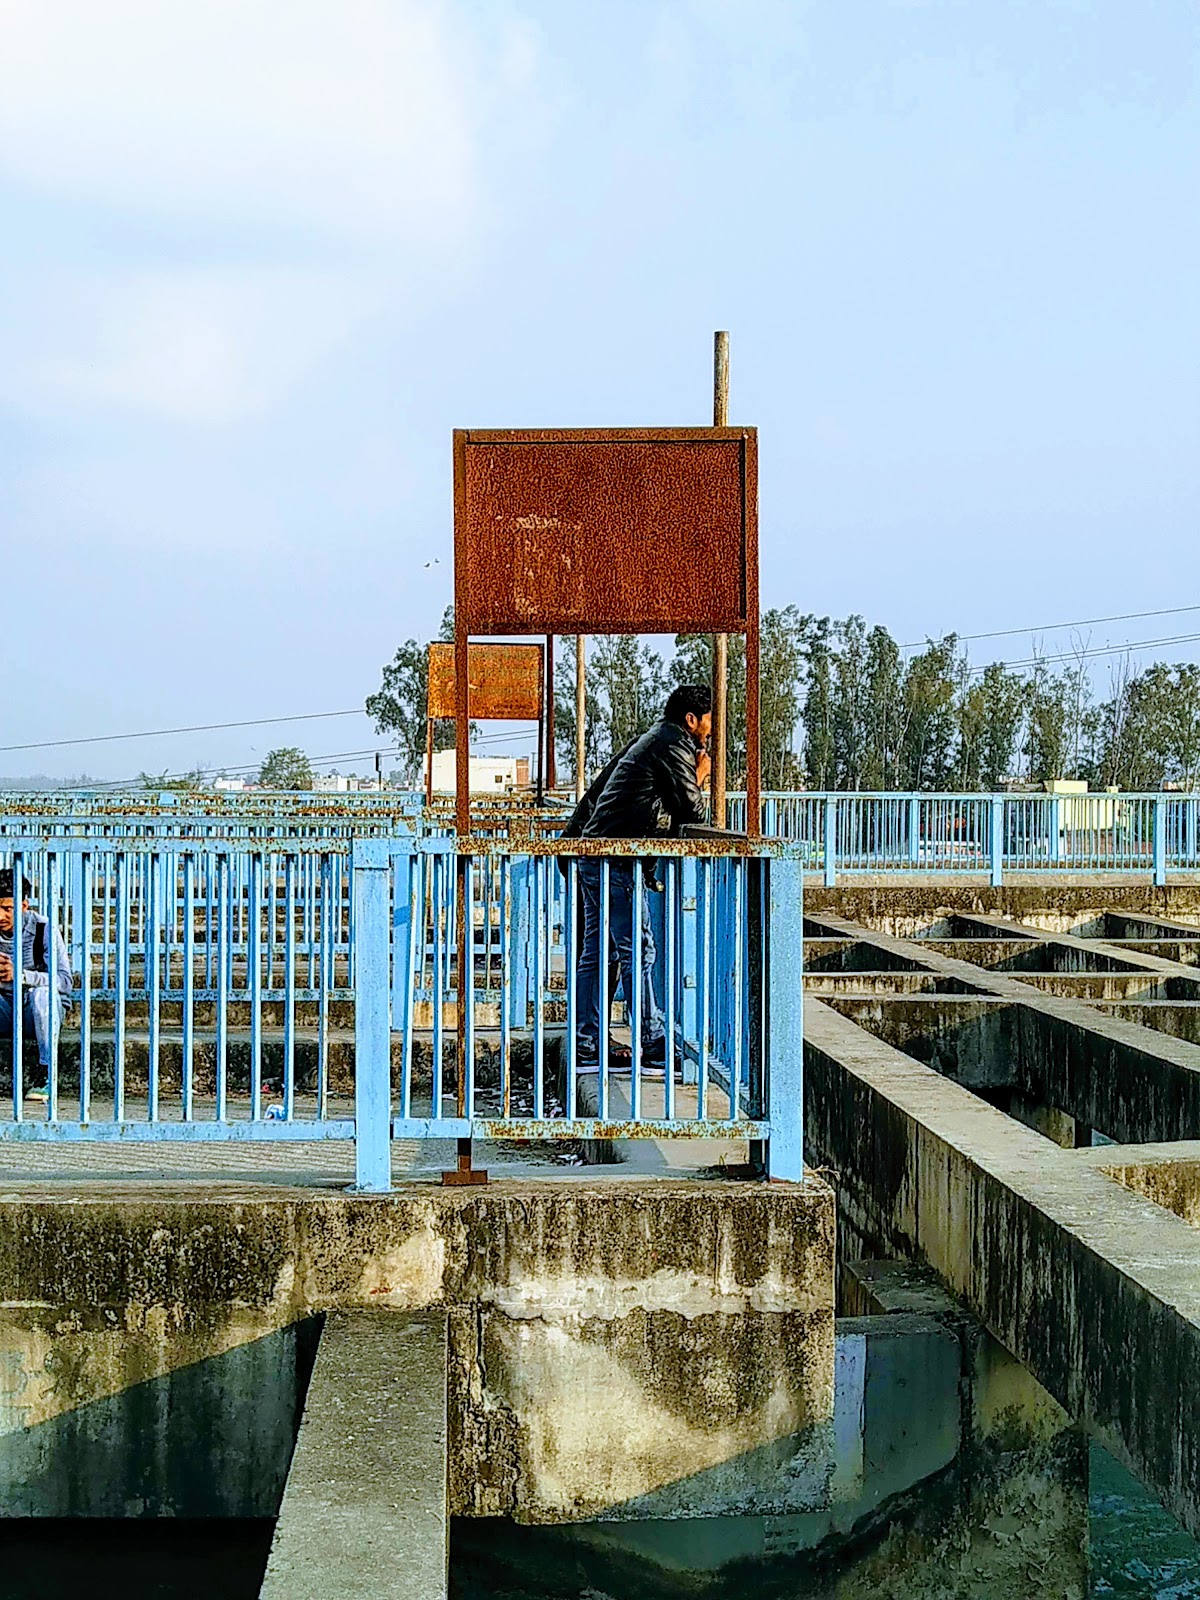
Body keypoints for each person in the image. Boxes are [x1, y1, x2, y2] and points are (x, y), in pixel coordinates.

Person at [574, 684, 712, 1070]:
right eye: (708, 721)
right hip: (617, 858)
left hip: (598, 851)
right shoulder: (673, 744)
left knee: (599, 951)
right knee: (639, 948)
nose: (710, 730)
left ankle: (588, 1042)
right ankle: (651, 1041)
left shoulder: (656, 737)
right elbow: (691, 809)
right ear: (691, 719)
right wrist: (701, 775)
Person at [0, 868, 74, 1103]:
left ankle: (46, 1073)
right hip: (5, 1009)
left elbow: (65, 981)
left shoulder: (43, 928)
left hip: (37, 1012)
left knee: (42, 994)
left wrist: (21, 976)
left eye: (7, 909)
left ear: (24, 906)